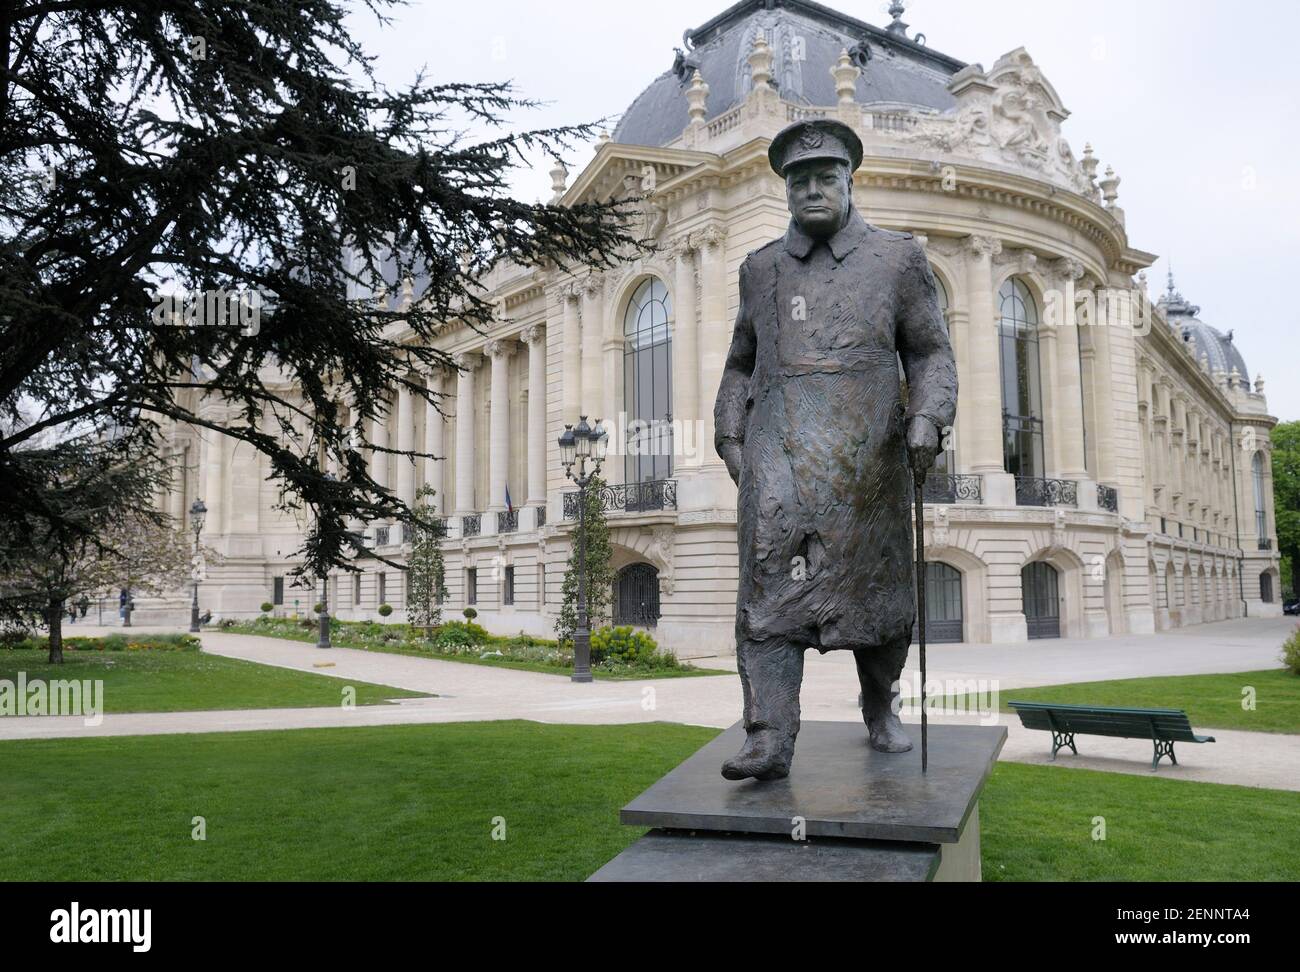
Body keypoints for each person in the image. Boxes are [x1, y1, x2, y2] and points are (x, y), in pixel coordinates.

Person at [714, 119, 957, 781]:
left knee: (880, 601)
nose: (811, 190)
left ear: (849, 182)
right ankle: (768, 737)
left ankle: (879, 704)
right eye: (799, 181)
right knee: (766, 601)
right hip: (780, 457)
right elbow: (740, 363)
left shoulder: (898, 259)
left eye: (825, 178)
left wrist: (929, 420)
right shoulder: (759, 268)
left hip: (869, 458)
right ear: (786, 189)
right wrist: (730, 436)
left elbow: (931, 352)